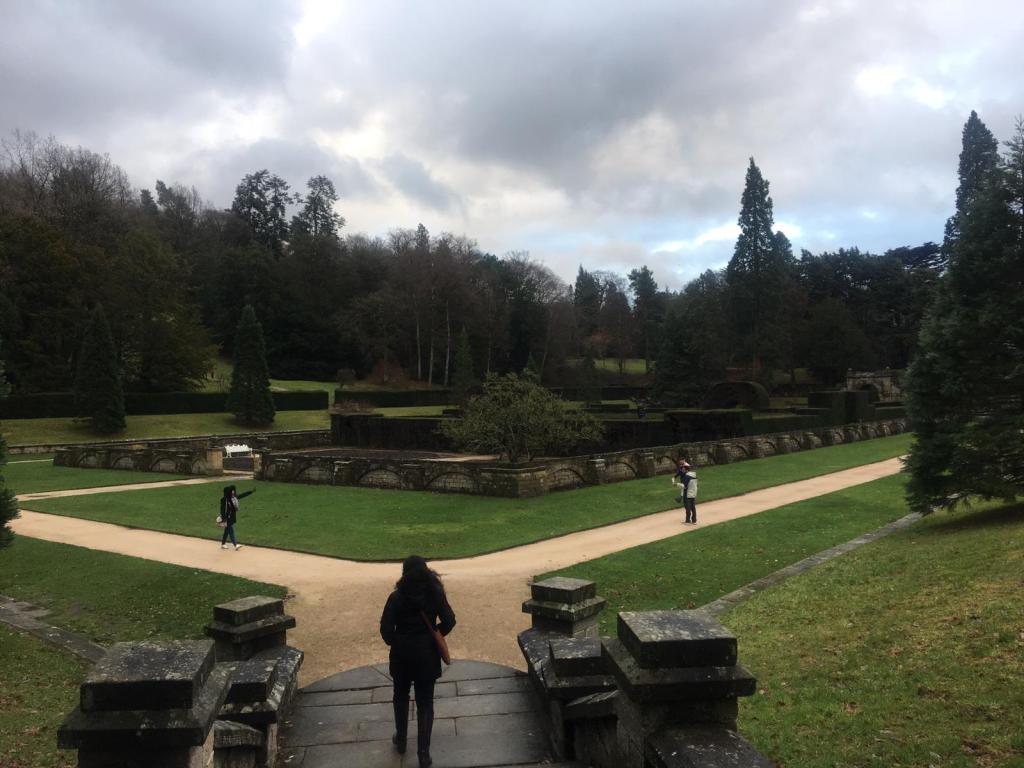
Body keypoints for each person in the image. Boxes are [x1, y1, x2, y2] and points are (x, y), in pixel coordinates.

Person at [380, 555, 456, 768]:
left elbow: (386, 631)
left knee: (400, 696)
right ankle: (423, 754)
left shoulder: (396, 597)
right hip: (427, 655)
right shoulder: (434, 594)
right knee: (425, 703)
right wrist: (434, 635)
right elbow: (450, 621)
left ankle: (402, 739)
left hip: (401, 656)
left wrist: (399, 641)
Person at [219, 485, 253, 551]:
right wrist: (224, 518)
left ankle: (223, 544)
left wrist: (250, 492)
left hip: (232, 517)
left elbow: (242, 495)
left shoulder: (233, 498)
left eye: (233, 491)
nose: (233, 492)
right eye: (231, 491)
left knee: (227, 530)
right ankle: (235, 544)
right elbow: (222, 509)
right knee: (231, 530)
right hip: (227, 517)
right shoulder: (224, 499)